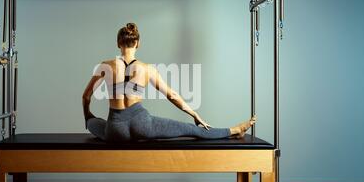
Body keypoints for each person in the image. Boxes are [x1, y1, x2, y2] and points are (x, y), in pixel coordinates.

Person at [82, 22, 256, 142]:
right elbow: (171, 95)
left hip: (115, 130)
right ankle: (234, 130)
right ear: (138, 43)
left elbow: (86, 96)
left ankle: (91, 121)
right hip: (143, 124)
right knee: (190, 129)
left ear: (118, 43)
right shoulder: (147, 68)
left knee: (93, 123)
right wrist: (195, 115)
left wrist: (87, 117)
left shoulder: (105, 66)